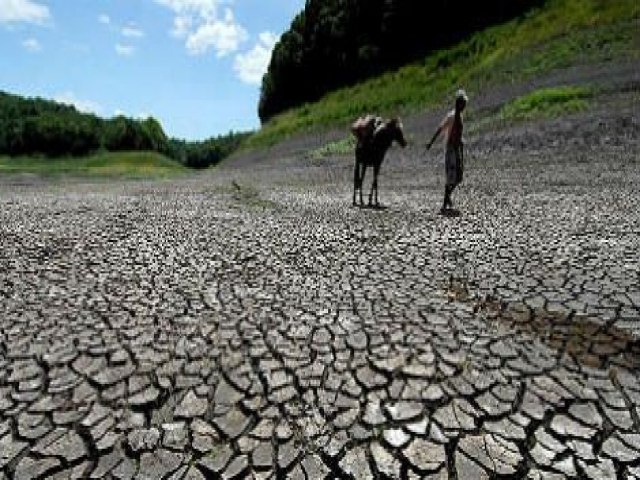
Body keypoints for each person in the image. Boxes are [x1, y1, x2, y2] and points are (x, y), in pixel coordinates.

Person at [426, 89, 468, 213]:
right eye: (463, 103)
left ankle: (447, 197)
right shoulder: (451, 116)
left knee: (459, 176)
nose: (464, 106)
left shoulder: (460, 116)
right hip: (450, 148)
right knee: (452, 175)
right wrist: (431, 142)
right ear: (459, 104)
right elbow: (440, 128)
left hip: (457, 148)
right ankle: (445, 201)